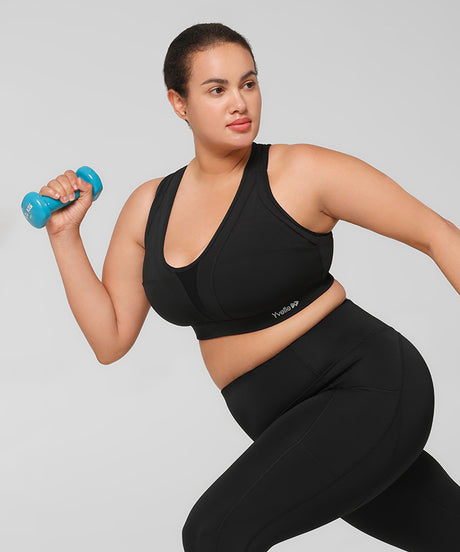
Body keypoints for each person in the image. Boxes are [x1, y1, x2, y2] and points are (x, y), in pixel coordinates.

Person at [40, 21, 460, 552]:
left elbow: (437, 235)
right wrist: (64, 236)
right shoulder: (149, 207)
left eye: (249, 83)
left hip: (368, 387)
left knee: (216, 535)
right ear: (179, 103)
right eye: (217, 89)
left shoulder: (301, 171)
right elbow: (111, 339)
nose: (239, 102)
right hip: (285, 422)